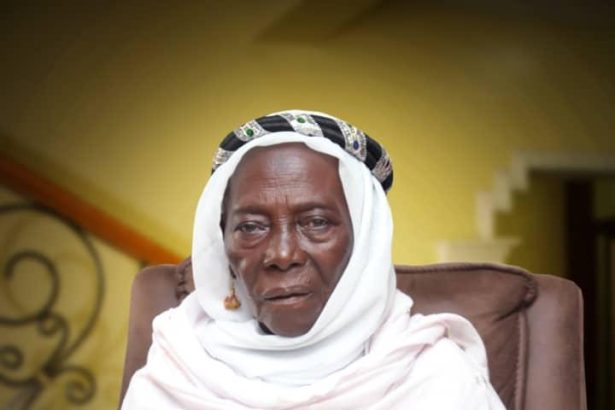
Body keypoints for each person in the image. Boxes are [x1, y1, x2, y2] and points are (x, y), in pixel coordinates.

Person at [121, 110, 505, 409]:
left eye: (317, 222)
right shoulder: (177, 368)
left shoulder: (435, 379)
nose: (282, 255)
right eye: (251, 227)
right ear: (224, 245)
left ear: (365, 244)